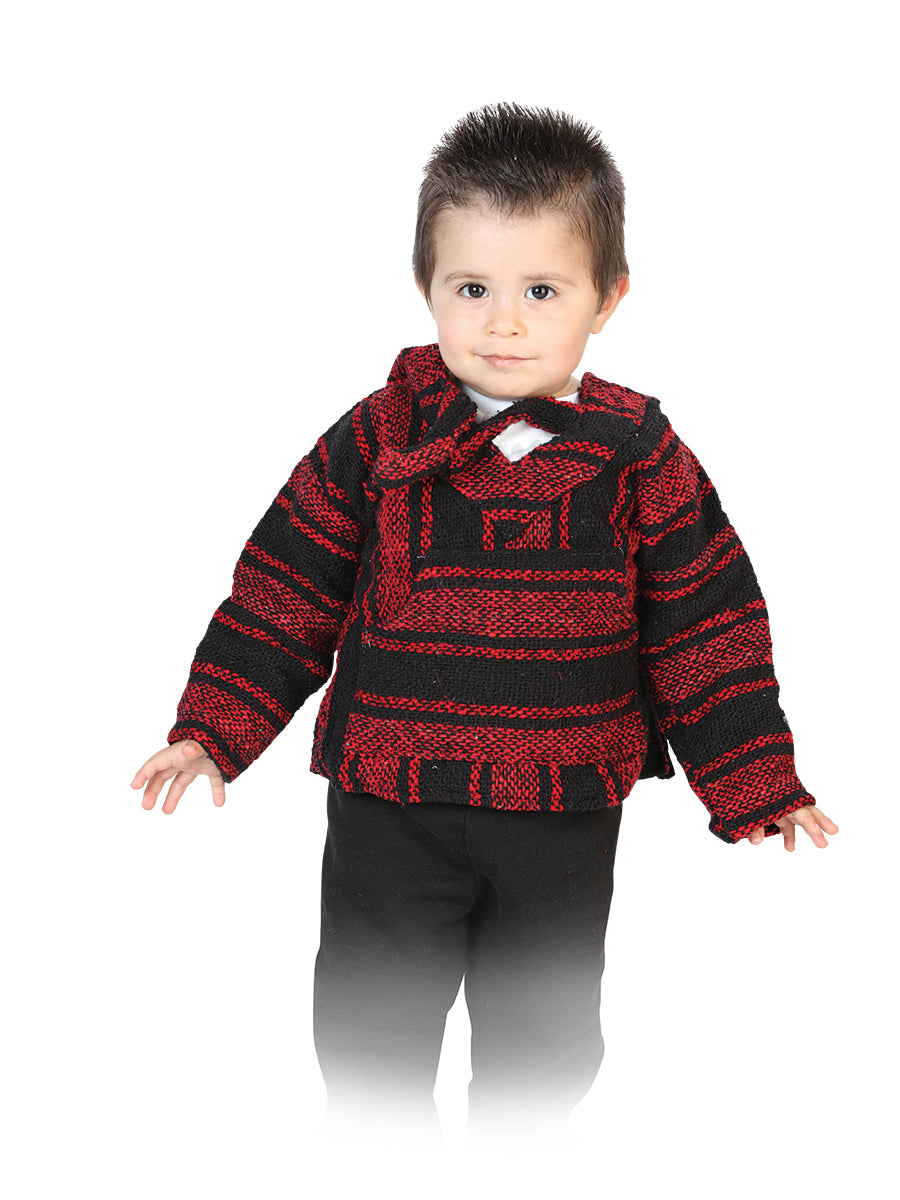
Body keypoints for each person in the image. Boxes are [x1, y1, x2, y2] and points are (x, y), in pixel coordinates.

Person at [131, 103, 838, 1150]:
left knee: (543, 1035)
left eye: (541, 291)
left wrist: (755, 780)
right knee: (369, 1022)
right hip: (391, 799)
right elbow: (285, 587)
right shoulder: (379, 437)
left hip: (563, 803)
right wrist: (213, 729)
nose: (504, 324)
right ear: (426, 286)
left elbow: (706, 621)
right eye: (472, 289)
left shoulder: (639, 457)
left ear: (609, 298)